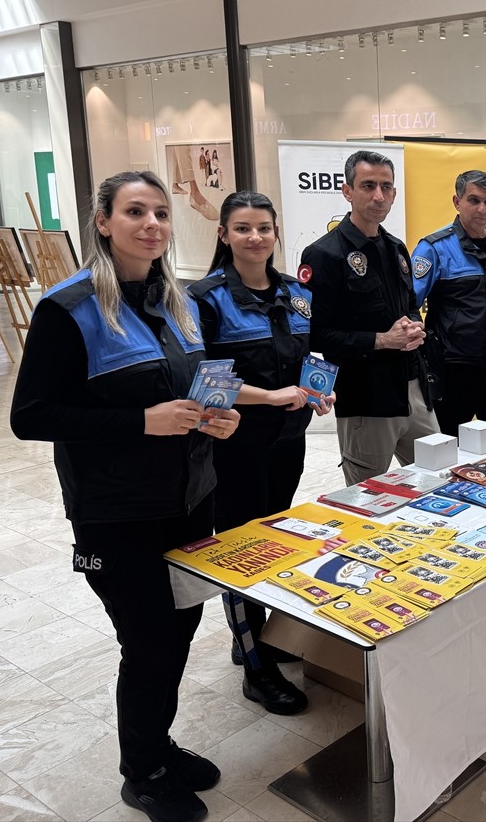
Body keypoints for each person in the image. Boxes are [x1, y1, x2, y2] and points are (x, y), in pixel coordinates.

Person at [10, 171, 240, 822]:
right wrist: (141, 421)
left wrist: (219, 415)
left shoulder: (181, 300)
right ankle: (142, 773)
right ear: (104, 222)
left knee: (184, 626)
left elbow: (199, 383)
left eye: (162, 213)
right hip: (116, 515)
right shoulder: (68, 308)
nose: (152, 224)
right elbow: (31, 417)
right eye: (135, 211)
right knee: (148, 643)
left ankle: (158, 743)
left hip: (191, 500)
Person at [189, 191, 334, 715]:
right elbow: (201, 382)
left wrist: (316, 388)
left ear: (276, 234)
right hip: (234, 447)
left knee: (271, 541)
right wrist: (269, 396)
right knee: (241, 550)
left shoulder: (297, 293)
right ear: (224, 234)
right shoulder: (204, 298)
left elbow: (305, 355)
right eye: (243, 228)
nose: (255, 238)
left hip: (285, 444)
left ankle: (249, 632)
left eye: (264, 228)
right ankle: (256, 668)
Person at [300, 150, 437, 483]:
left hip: (414, 390)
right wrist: (383, 340)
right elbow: (317, 334)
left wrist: (413, 326)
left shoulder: (396, 248)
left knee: (438, 479)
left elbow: (408, 306)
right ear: (348, 191)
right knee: (367, 498)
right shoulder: (323, 254)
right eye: (368, 185)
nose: (379, 195)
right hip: (366, 398)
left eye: (386, 187)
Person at [411, 170, 486, 434]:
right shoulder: (434, 248)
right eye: (474, 200)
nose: (482, 209)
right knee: (447, 451)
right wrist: (423, 359)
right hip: (452, 370)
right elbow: (409, 305)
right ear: (457, 201)